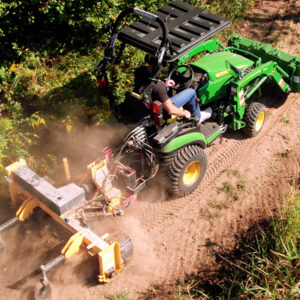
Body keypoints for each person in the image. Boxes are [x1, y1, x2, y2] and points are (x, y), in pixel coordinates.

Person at [134, 54, 212, 123]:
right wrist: (184, 113)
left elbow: (153, 88)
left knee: (166, 81)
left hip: (149, 100)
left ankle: (168, 89)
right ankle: (198, 117)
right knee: (191, 92)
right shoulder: (158, 86)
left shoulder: (140, 71)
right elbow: (170, 109)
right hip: (163, 109)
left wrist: (164, 84)